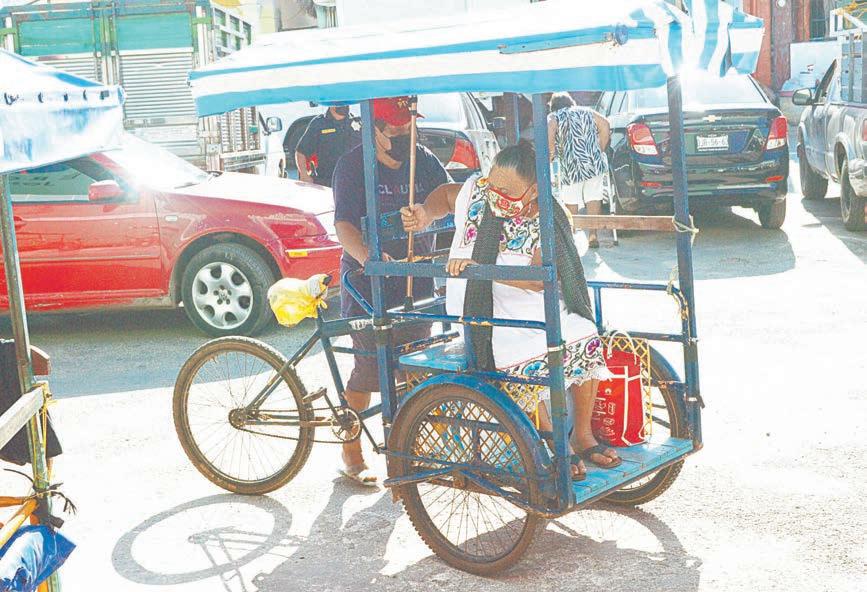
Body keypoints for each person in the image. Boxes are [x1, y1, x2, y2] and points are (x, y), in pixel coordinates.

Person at [401, 141, 621, 480]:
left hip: (527, 299)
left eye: (507, 192)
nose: (496, 196)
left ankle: (582, 435)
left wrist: (483, 267)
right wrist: (424, 213)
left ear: (533, 190)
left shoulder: (549, 215)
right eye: (493, 185)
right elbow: (444, 195)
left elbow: (537, 280)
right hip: (481, 307)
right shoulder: (477, 191)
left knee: (583, 329)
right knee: (525, 347)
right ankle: (552, 441)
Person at [332, 96, 449, 486]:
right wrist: (368, 256)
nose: (404, 134)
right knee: (369, 371)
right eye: (395, 129)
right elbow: (344, 224)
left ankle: (412, 449)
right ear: (373, 130)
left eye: (408, 126)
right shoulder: (352, 165)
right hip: (368, 284)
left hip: (417, 281)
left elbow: (447, 198)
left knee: (417, 365)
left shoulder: (425, 161)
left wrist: (428, 213)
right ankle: (351, 453)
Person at [547, 92, 611, 248]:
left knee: (571, 199)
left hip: (571, 165)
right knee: (593, 197)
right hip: (593, 162)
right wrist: (600, 148)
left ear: (553, 106)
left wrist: (551, 156)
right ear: (571, 102)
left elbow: (549, 140)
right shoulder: (587, 111)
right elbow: (605, 124)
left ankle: (572, 236)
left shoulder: (554, 117)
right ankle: (593, 235)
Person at [294, 105, 361, 187]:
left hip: (355, 182)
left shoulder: (358, 123)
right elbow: (301, 152)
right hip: (327, 182)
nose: (344, 104)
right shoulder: (319, 124)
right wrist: (304, 175)